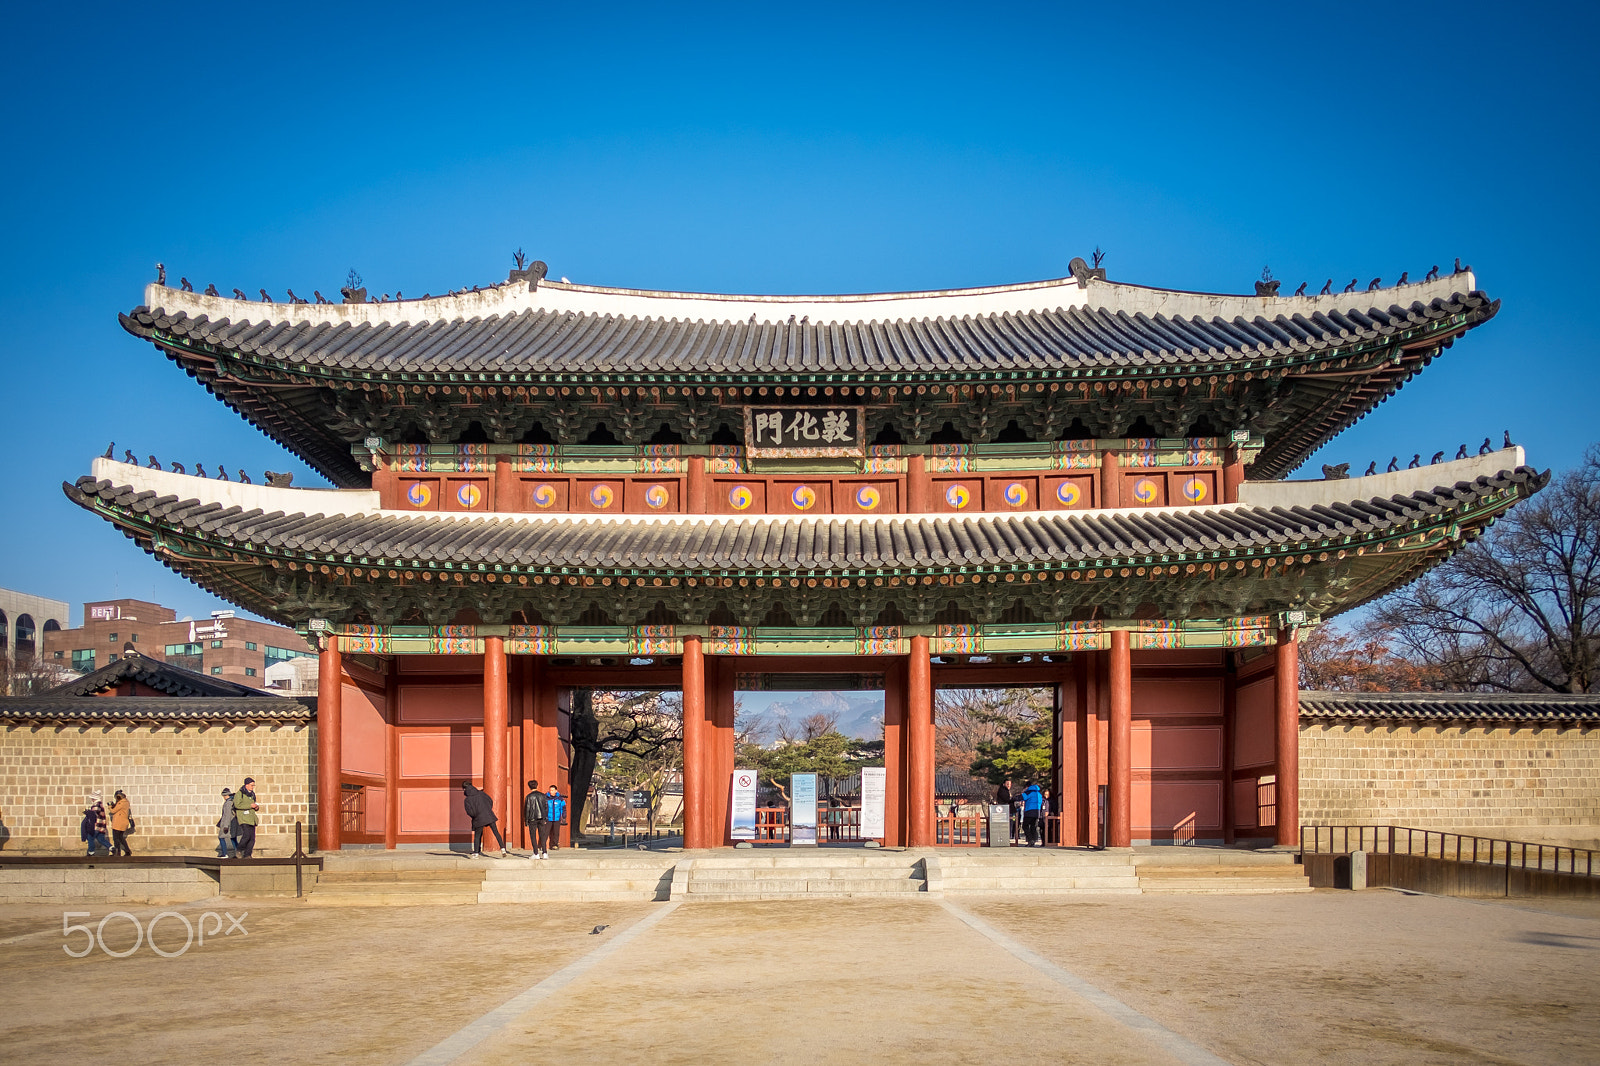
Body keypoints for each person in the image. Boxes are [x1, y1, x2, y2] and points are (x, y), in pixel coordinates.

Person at [461, 780, 508, 857]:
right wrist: (488, 809)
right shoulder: (481, 793)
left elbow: (469, 812)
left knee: (478, 835)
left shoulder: (467, 799)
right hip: (489, 815)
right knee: (496, 833)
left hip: (478, 818)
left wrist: (475, 815)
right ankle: (503, 849)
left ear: (464, 789)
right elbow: (490, 801)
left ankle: (476, 853)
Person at [233, 777, 261, 858]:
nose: (252, 787)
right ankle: (239, 850)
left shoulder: (252, 794)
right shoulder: (240, 793)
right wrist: (250, 805)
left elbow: (253, 804)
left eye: (253, 785)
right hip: (243, 818)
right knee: (247, 835)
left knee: (252, 838)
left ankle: (247, 854)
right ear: (246, 785)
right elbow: (237, 805)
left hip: (252, 819)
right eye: (251, 785)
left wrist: (256, 807)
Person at [522, 779, 550, 859]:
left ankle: (536, 853)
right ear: (537, 785)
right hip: (542, 818)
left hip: (532, 818)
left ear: (529, 787)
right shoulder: (543, 796)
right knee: (542, 836)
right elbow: (546, 807)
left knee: (533, 836)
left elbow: (527, 809)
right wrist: (545, 818)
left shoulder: (529, 797)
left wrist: (526, 820)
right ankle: (545, 853)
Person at [81, 790, 110, 856]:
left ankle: (91, 852)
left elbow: (94, 814)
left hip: (97, 825)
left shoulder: (96, 805)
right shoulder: (100, 804)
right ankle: (111, 848)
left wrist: (87, 812)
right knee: (101, 839)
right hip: (101, 825)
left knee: (90, 837)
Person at [108, 789, 134, 857]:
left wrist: (110, 806)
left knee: (116, 838)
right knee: (121, 838)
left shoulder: (121, 803)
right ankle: (127, 851)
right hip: (123, 823)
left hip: (118, 823)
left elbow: (113, 811)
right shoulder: (126, 802)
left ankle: (117, 852)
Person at [216, 788, 239, 858]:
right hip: (232, 823)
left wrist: (225, 826)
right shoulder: (231, 802)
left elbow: (227, 815)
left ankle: (224, 853)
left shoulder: (228, 803)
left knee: (221, 837)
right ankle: (238, 853)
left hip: (227, 824)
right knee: (233, 838)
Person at [1021, 782, 1044, 847]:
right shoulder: (1039, 794)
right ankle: (1033, 840)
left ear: (1027, 786)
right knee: (1033, 826)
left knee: (1025, 826)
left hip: (1029, 811)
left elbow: (1021, 797)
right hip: (1037, 812)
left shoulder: (1029, 792)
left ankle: (1030, 840)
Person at [545, 785, 566, 852]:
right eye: (550, 790)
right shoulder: (546, 798)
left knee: (556, 832)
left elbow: (563, 808)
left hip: (557, 818)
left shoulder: (560, 799)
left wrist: (564, 816)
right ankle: (543, 845)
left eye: (552, 790)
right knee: (546, 832)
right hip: (548, 818)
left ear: (556, 791)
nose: (551, 792)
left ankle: (555, 845)